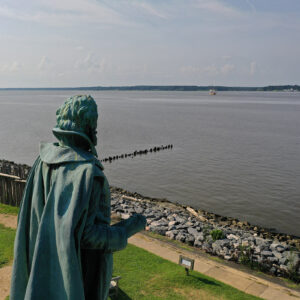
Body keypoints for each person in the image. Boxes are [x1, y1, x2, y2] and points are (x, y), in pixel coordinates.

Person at [10, 95, 146, 300]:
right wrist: (126, 229)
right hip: (80, 276)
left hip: (42, 268)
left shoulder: (43, 161)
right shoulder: (88, 173)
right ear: (89, 126)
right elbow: (87, 235)